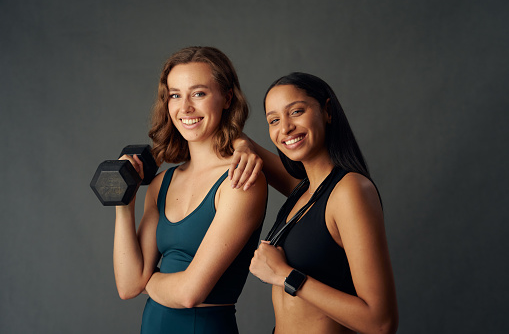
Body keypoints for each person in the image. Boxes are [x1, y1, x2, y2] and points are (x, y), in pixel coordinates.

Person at [113, 46, 267, 334]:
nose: (184, 109)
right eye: (175, 95)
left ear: (227, 98)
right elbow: (127, 285)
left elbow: (189, 293)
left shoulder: (241, 179)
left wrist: (149, 282)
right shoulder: (161, 183)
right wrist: (125, 202)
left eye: (198, 93)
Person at [231, 72, 398, 334]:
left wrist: (285, 275)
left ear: (327, 111)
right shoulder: (304, 191)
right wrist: (241, 144)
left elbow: (381, 323)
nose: (285, 128)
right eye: (274, 120)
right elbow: (240, 143)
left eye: (296, 111)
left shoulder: (349, 191)